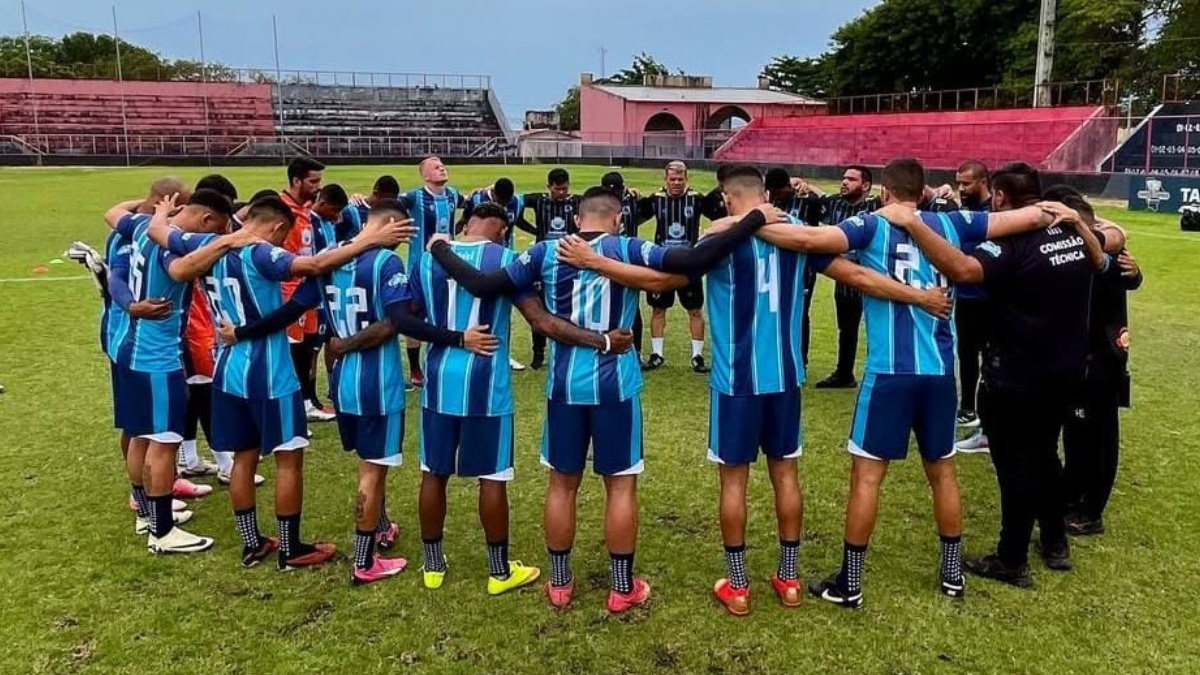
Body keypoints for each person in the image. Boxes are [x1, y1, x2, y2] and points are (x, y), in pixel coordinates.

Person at [554, 166, 955, 616]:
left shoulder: (720, 240)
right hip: (785, 378)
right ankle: (789, 579)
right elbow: (856, 277)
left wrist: (603, 261)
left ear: (727, 200)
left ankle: (739, 585)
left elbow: (667, 278)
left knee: (734, 481)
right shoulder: (799, 233)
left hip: (735, 383)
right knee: (786, 476)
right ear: (765, 195)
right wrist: (919, 296)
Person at [428, 187, 782, 612]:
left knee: (562, 484)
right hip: (616, 384)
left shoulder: (544, 252)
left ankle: (560, 584)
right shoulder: (626, 247)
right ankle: (621, 587)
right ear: (618, 219)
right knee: (620, 485)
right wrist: (752, 220)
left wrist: (441, 246)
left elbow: (482, 284)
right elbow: (691, 262)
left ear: (577, 220)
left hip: (563, 387)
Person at [746, 158, 1070, 606]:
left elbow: (805, 238)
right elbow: (1029, 215)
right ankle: (953, 575)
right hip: (939, 373)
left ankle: (851, 582)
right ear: (922, 194)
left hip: (889, 375)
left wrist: (746, 223)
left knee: (867, 477)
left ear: (884, 192)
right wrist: (1070, 214)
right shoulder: (953, 223)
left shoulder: (871, 224)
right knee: (943, 473)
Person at [878, 162, 1119, 588]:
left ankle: (1011, 558)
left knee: (1014, 467)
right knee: (1045, 455)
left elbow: (963, 270)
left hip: (1017, 375)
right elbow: (1112, 237)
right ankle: (1056, 543)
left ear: (1002, 198)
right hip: (1066, 370)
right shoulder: (1070, 232)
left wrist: (914, 226)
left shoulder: (1011, 242)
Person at [220, 201, 473, 584]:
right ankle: (364, 560)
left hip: (340, 380)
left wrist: (241, 332)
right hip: (377, 382)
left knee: (372, 462)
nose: (406, 234)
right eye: (403, 227)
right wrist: (456, 337)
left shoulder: (329, 257)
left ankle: (382, 526)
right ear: (388, 224)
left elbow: (291, 310)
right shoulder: (386, 263)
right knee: (372, 469)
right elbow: (397, 322)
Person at [168, 195, 415, 570]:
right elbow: (312, 268)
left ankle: (252, 543)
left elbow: (158, 234)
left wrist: (158, 212)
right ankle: (293, 548)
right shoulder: (264, 254)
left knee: (243, 458)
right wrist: (368, 241)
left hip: (227, 368)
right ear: (278, 227)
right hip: (272, 374)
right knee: (292, 462)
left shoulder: (209, 246)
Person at [404, 203, 638, 594]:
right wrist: (603, 341)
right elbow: (541, 320)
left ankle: (432, 566)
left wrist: (452, 336)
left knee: (433, 472)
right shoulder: (505, 258)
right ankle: (498, 572)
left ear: (464, 224)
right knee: (492, 477)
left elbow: (405, 319)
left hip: (439, 379)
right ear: (502, 232)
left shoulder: (428, 260)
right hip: (486, 383)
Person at [103, 189, 246, 553]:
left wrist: (155, 208)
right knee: (164, 443)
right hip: (156, 355)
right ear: (206, 220)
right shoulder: (174, 246)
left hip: (126, 346)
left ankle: (146, 513)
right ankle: (162, 532)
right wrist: (230, 241)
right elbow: (183, 269)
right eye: (217, 228)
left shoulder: (140, 226)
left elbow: (113, 211)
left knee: (139, 434)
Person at [1041, 187, 1143, 537]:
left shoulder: (1102, 256)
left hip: (1102, 361)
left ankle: (1091, 510)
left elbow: (1120, 269)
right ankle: (1072, 496)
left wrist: (1134, 272)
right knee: (1075, 431)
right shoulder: (1079, 254)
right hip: (1077, 360)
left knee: (1099, 436)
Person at [634, 161, 710, 373]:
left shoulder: (696, 199)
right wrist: (631, 194)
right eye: (672, 179)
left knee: (694, 310)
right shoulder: (656, 200)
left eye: (680, 179)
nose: (676, 183)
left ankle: (697, 356)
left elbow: (722, 213)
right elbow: (632, 216)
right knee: (658, 309)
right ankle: (657, 354)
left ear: (687, 179)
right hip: (662, 264)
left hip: (689, 264)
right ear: (665, 179)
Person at [398, 156, 466, 389]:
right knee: (415, 317)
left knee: (447, 313)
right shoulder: (413, 197)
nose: (442, 168)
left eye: (442, 166)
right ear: (425, 176)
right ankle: (416, 370)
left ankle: (443, 361)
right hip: (420, 267)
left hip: (449, 266)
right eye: (436, 167)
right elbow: (383, 204)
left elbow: (471, 204)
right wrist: (360, 200)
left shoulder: (453, 194)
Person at [813, 166, 882, 389]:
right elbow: (816, 199)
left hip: (874, 278)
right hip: (845, 279)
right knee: (847, 327)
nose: (844, 182)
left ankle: (882, 373)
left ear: (866, 185)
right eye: (843, 178)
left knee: (880, 325)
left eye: (851, 179)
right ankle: (845, 373)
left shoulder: (877, 206)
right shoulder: (835, 204)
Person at [513, 168, 580, 370]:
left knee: (569, 306)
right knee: (539, 307)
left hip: (569, 259)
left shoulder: (576, 201)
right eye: (557, 189)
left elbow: (599, 200)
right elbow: (512, 202)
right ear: (549, 186)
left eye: (565, 189)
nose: (562, 193)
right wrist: (534, 230)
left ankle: (568, 347)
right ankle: (538, 352)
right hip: (542, 262)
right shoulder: (538, 200)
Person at [279, 157, 330, 420]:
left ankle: (307, 402)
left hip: (309, 289)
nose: (317, 186)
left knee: (308, 348)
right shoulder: (281, 210)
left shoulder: (307, 208)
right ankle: (294, 407)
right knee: (293, 351)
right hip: (290, 292)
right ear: (296, 181)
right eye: (313, 181)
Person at [952, 160, 993, 444]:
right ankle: (967, 408)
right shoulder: (966, 211)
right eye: (959, 183)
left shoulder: (997, 214)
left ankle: (990, 420)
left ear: (983, 181)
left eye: (966, 183)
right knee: (966, 354)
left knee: (991, 358)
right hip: (965, 297)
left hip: (990, 299)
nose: (961, 189)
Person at [601, 171, 646, 360]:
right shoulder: (595, 204)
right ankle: (605, 344)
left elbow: (651, 206)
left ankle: (636, 351)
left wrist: (639, 196)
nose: (615, 194)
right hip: (603, 261)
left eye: (618, 190)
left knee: (632, 308)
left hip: (628, 261)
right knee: (603, 305)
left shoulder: (632, 201)